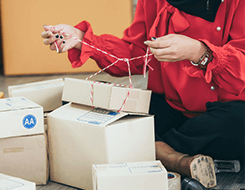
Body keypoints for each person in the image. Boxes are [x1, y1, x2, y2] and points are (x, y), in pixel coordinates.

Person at [41, 0, 245, 188]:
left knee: (237, 124)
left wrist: (199, 52)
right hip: (170, 107)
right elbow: (135, 54)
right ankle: (175, 158)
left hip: (226, 110)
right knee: (80, 103)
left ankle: (149, 149)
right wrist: (82, 40)